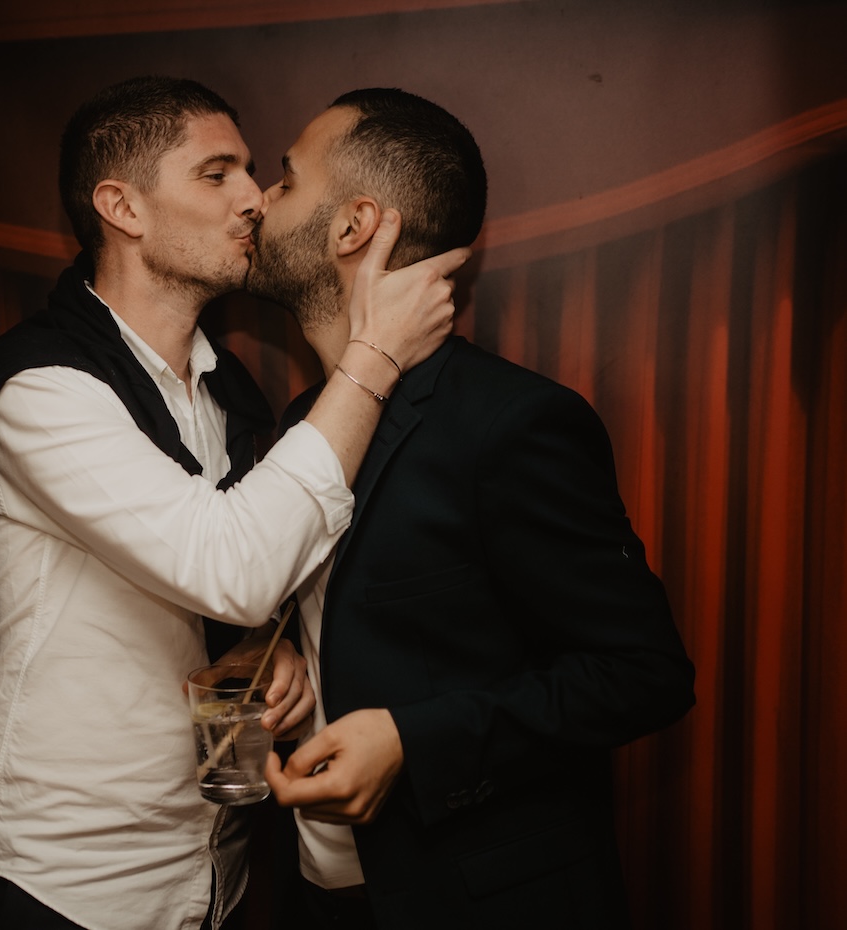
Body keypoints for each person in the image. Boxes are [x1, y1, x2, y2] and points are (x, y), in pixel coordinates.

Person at [0, 77, 470, 930]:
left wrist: (268, 648)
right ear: (122, 206)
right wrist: (374, 352)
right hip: (63, 880)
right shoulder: (45, 386)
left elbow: (229, 579)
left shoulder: (232, 394)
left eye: (254, 173)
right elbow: (230, 568)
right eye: (216, 174)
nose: (253, 201)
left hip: (210, 876)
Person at [250, 88, 696, 929]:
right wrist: (286, 657)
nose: (258, 199)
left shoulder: (509, 423)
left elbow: (642, 675)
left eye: (284, 178)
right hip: (319, 897)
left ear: (352, 226)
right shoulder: (297, 429)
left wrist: (411, 742)